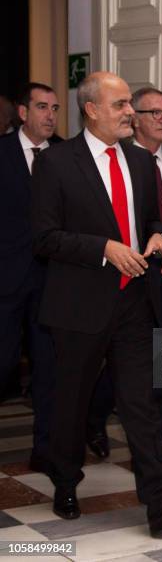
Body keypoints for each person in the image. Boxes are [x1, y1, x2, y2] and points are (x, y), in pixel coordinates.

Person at [32, 71, 162, 536]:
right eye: (120, 106)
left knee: (141, 404)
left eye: (129, 105)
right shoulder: (56, 163)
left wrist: (157, 235)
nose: (130, 113)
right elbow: (44, 237)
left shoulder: (138, 161)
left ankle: (161, 504)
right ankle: (65, 482)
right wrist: (104, 248)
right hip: (79, 305)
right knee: (71, 402)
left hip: (135, 301)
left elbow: (151, 218)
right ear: (92, 109)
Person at [87, 87, 162, 480]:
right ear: (133, 117)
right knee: (121, 373)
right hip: (130, 284)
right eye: (152, 112)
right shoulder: (122, 162)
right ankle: (94, 418)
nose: (161, 120)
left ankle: (151, 458)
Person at [0, 82, 61, 472]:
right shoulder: (1, 153)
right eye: (42, 107)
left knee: (49, 369)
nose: (50, 115)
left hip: (54, 282)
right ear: (23, 113)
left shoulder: (68, 156)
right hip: (5, 281)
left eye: (55, 108)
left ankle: (46, 450)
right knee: (3, 363)